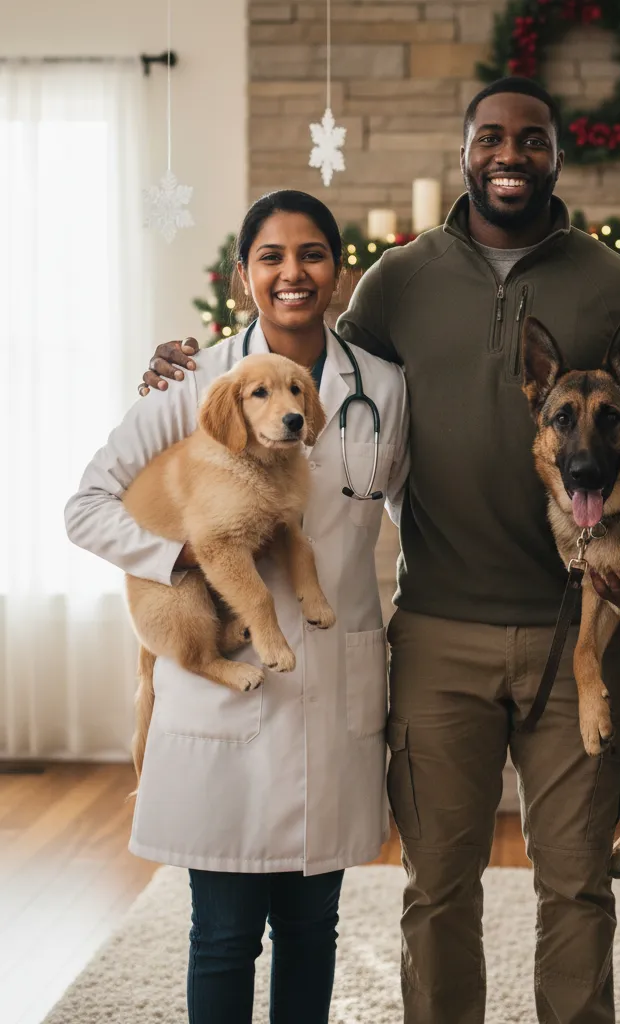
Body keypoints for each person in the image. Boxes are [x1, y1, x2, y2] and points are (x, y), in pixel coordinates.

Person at [138, 77, 620, 1024]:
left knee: (578, 886)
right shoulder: (398, 278)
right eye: (489, 137)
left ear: (560, 153)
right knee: (437, 889)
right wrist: (189, 377)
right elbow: (301, 384)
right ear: (464, 149)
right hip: (436, 634)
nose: (508, 154)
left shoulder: (617, 283)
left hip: (575, 636)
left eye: (530, 138)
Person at [66, 190, 410, 1024]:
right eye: (271, 257)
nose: (293, 273)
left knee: (313, 927)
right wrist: (183, 553)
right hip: (220, 694)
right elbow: (87, 507)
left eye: (313, 254)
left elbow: (416, 515)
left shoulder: (386, 389)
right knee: (223, 934)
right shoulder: (194, 380)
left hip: (334, 682)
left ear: (338, 270)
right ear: (244, 276)